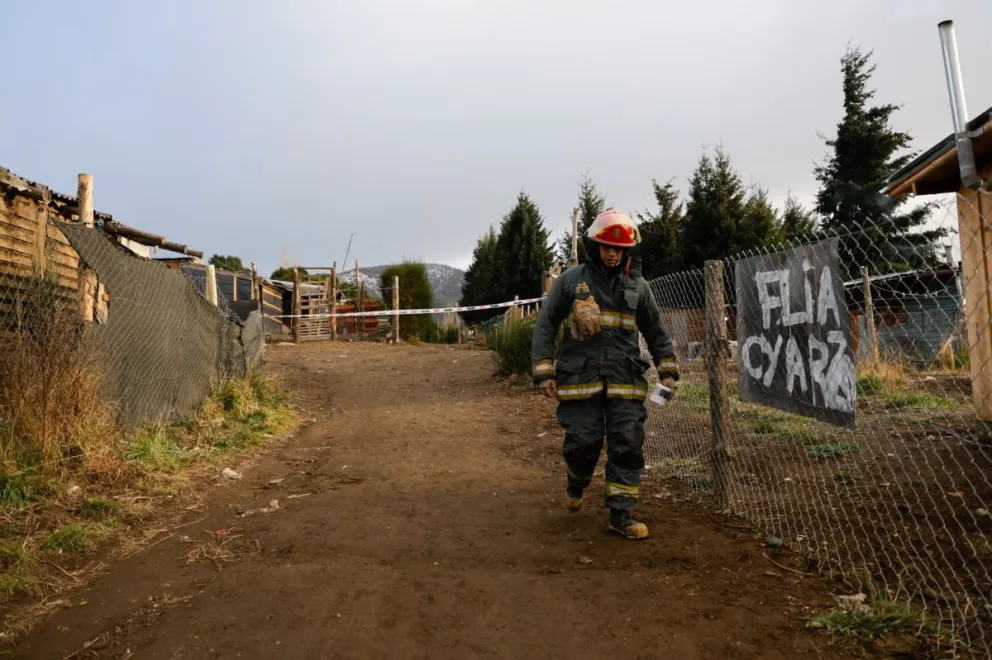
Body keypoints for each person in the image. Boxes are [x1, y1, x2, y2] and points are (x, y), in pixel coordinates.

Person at [531, 209, 679, 540]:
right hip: (579, 380)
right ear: (594, 246)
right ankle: (577, 479)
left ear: (627, 251)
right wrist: (544, 370)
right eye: (606, 247)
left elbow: (656, 331)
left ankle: (621, 514)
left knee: (627, 443)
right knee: (584, 442)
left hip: (626, 379)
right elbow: (546, 324)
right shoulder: (570, 282)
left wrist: (668, 373)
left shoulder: (640, 286)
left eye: (618, 249)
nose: (612, 254)